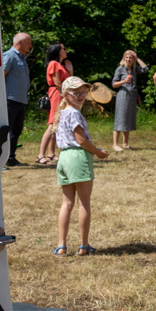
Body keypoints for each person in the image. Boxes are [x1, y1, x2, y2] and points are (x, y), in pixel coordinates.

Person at [51, 76, 109, 257]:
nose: (80, 95)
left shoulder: (62, 113)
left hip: (64, 158)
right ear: (65, 95)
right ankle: (83, 246)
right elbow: (81, 140)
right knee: (83, 203)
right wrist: (97, 152)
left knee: (66, 203)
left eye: (83, 92)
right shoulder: (75, 113)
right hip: (77, 157)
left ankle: (61, 246)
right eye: (75, 92)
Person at [37, 42, 70, 165]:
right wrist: (66, 95)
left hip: (61, 93)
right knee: (52, 123)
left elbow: (68, 81)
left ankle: (51, 153)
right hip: (57, 93)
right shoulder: (54, 64)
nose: (66, 50)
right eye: (63, 48)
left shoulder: (60, 65)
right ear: (57, 51)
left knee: (57, 124)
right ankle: (41, 155)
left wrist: (70, 70)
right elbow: (57, 82)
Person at [3, 33, 32, 168]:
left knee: (16, 130)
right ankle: (2, 158)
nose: (30, 46)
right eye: (28, 43)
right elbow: (0, 76)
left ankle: (11, 157)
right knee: (7, 130)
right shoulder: (9, 56)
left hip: (20, 100)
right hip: (10, 99)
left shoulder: (22, 57)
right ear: (20, 42)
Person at [112, 50, 148, 151]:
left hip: (132, 96)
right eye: (126, 57)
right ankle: (115, 144)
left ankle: (125, 143)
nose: (128, 59)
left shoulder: (134, 69)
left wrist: (137, 57)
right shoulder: (120, 69)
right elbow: (113, 84)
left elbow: (145, 69)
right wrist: (123, 81)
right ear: (124, 58)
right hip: (123, 95)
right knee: (120, 118)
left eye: (130, 58)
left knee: (128, 118)